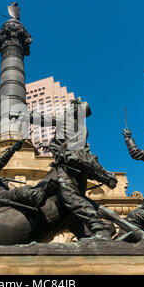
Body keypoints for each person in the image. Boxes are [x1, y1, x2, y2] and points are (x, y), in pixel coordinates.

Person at [22, 98, 117, 239]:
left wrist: (23, 115)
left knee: (70, 197)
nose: (66, 109)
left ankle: (99, 228)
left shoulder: (66, 119)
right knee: (75, 199)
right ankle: (86, 232)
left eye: (69, 108)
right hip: (80, 169)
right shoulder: (81, 127)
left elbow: (43, 119)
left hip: (68, 166)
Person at [0, 138, 47, 218]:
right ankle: (37, 196)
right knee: (17, 192)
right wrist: (12, 149)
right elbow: (0, 162)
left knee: (22, 189)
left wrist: (3, 181)